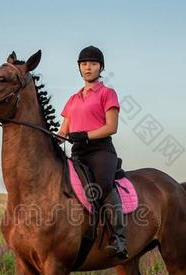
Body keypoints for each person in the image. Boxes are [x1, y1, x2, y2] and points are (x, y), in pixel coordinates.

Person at [58, 45, 128, 260]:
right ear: (79, 68)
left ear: (101, 67)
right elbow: (64, 130)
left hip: (101, 151)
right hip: (78, 151)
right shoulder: (73, 99)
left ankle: (119, 237)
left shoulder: (108, 93)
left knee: (102, 184)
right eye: (84, 64)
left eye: (93, 64)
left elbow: (111, 127)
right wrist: (49, 138)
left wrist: (86, 135)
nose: (88, 67)